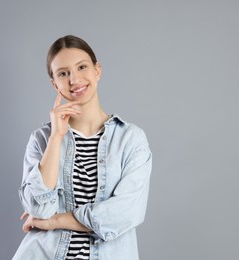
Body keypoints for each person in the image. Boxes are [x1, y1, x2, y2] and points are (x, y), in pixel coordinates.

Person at [13, 35, 152, 260]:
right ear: (54, 83)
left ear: (97, 70)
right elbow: (38, 209)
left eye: (82, 67)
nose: (74, 79)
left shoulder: (130, 139)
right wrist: (56, 137)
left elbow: (126, 212)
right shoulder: (41, 139)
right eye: (63, 73)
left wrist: (54, 221)